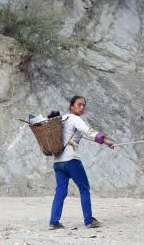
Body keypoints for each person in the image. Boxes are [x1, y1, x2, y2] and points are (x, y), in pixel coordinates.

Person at [48, 95, 114, 230]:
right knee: (84, 188)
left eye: (84, 105)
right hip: (71, 160)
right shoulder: (75, 119)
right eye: (79, 104)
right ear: (72, 106)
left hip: (58, 161)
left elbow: (79, 135)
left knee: (60, 191)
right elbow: (88, 132)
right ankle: (89, 220)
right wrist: (106, 141)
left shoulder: (63, 119)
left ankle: (53, 222)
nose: (82, 107)